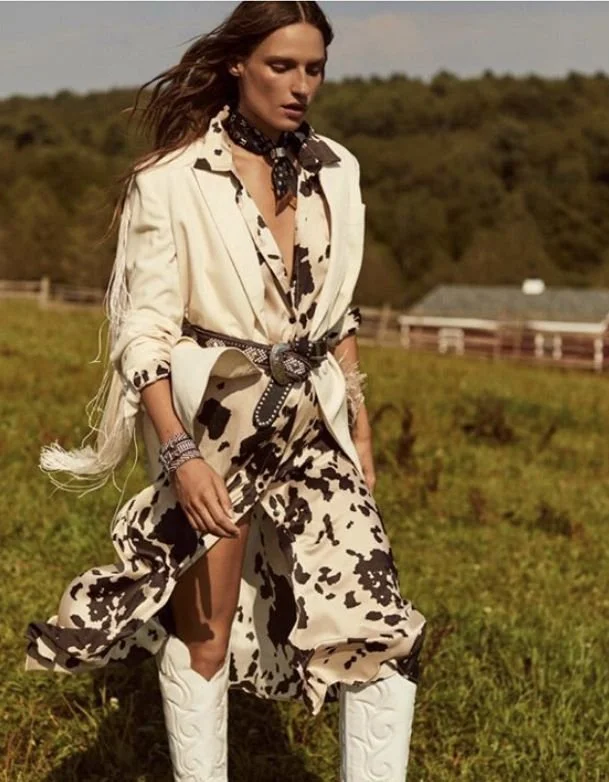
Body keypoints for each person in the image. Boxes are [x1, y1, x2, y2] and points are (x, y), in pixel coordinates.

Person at [25, 2, 427, 780]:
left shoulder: (337, 170)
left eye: (314, 68)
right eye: (282, 66)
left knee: (374, 627)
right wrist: (180, 457)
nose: (301, 85)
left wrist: (363, 437)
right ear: (238, 63)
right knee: (205, 635)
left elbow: (338, 315)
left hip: (314, 426)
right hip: (212, 425)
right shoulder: (171, 180)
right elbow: (145, 334)